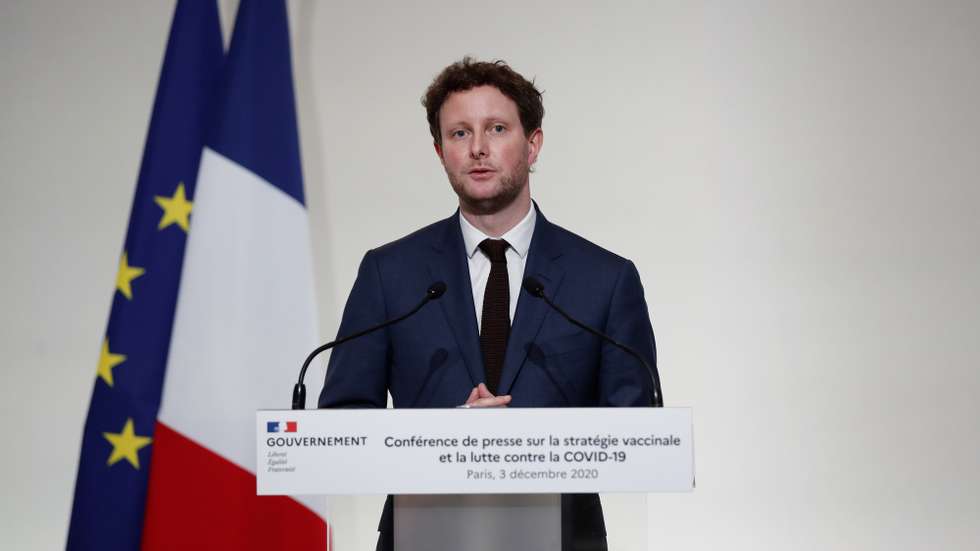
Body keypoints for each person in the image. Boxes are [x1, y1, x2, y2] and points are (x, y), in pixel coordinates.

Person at [318, 57, 658, 551]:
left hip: (563, 537)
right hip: (425, 534)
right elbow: (342, 424)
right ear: (439, 151)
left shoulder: (604, 279)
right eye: (459, 133)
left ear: (533, 143)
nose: (478, 148)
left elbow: (637, 434)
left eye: (496, 128)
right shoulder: (390, 274)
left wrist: (520, 444)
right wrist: (444, 442)